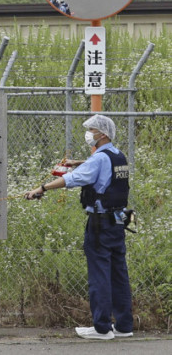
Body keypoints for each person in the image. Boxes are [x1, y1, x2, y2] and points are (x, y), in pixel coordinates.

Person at [24, 114, 133, 340]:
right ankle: (124, 326)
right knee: (118, 273)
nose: (89, 134)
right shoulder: (117, 155)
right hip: (117, 222)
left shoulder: (99, 158)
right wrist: (79, 162)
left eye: (92, 130)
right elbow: (99, 166)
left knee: (100, 275)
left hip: (99, 224)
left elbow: (72, 179)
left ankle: (102, 328)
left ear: (102, 134)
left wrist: (41, 188)